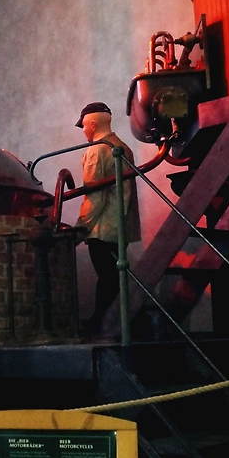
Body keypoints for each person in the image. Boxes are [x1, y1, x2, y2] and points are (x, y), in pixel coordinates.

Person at [74, 102, 141, 336]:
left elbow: (95, 196)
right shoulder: (123, 147)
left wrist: (80, 229)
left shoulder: (96, 151)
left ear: (92, 124)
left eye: (84, 126)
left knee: (107, 279)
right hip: (120, 226)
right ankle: (122, 323)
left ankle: (103, 324)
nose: (84, 131)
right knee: (114, 278)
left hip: (102, 228)